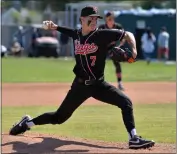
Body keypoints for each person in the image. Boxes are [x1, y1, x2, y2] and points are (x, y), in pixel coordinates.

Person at [9, 6, 155, 149]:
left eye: (96, 19)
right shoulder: (77, 34)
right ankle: (26, 123)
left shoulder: (102, 35)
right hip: (80, 87)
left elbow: (127, 34)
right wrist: (55, 27)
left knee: (126, 102)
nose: (94, 21)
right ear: (82, 19)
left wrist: (134, 51)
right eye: (91, 19)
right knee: (58, 118)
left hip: (99, 85)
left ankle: (133, 138)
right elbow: (69, 32)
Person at [99, 11, 125, 90]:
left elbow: (124, 37)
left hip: (113, 47)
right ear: (106, 19)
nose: (111, 20)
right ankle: (97, 82)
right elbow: (97, 38)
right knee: (98, 64)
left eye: (112, 18)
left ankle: (120, 83)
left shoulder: (118, 26)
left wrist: (119, 46)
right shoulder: (102, 27)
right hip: (103, 47)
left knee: (117, 63)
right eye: (109, 18)